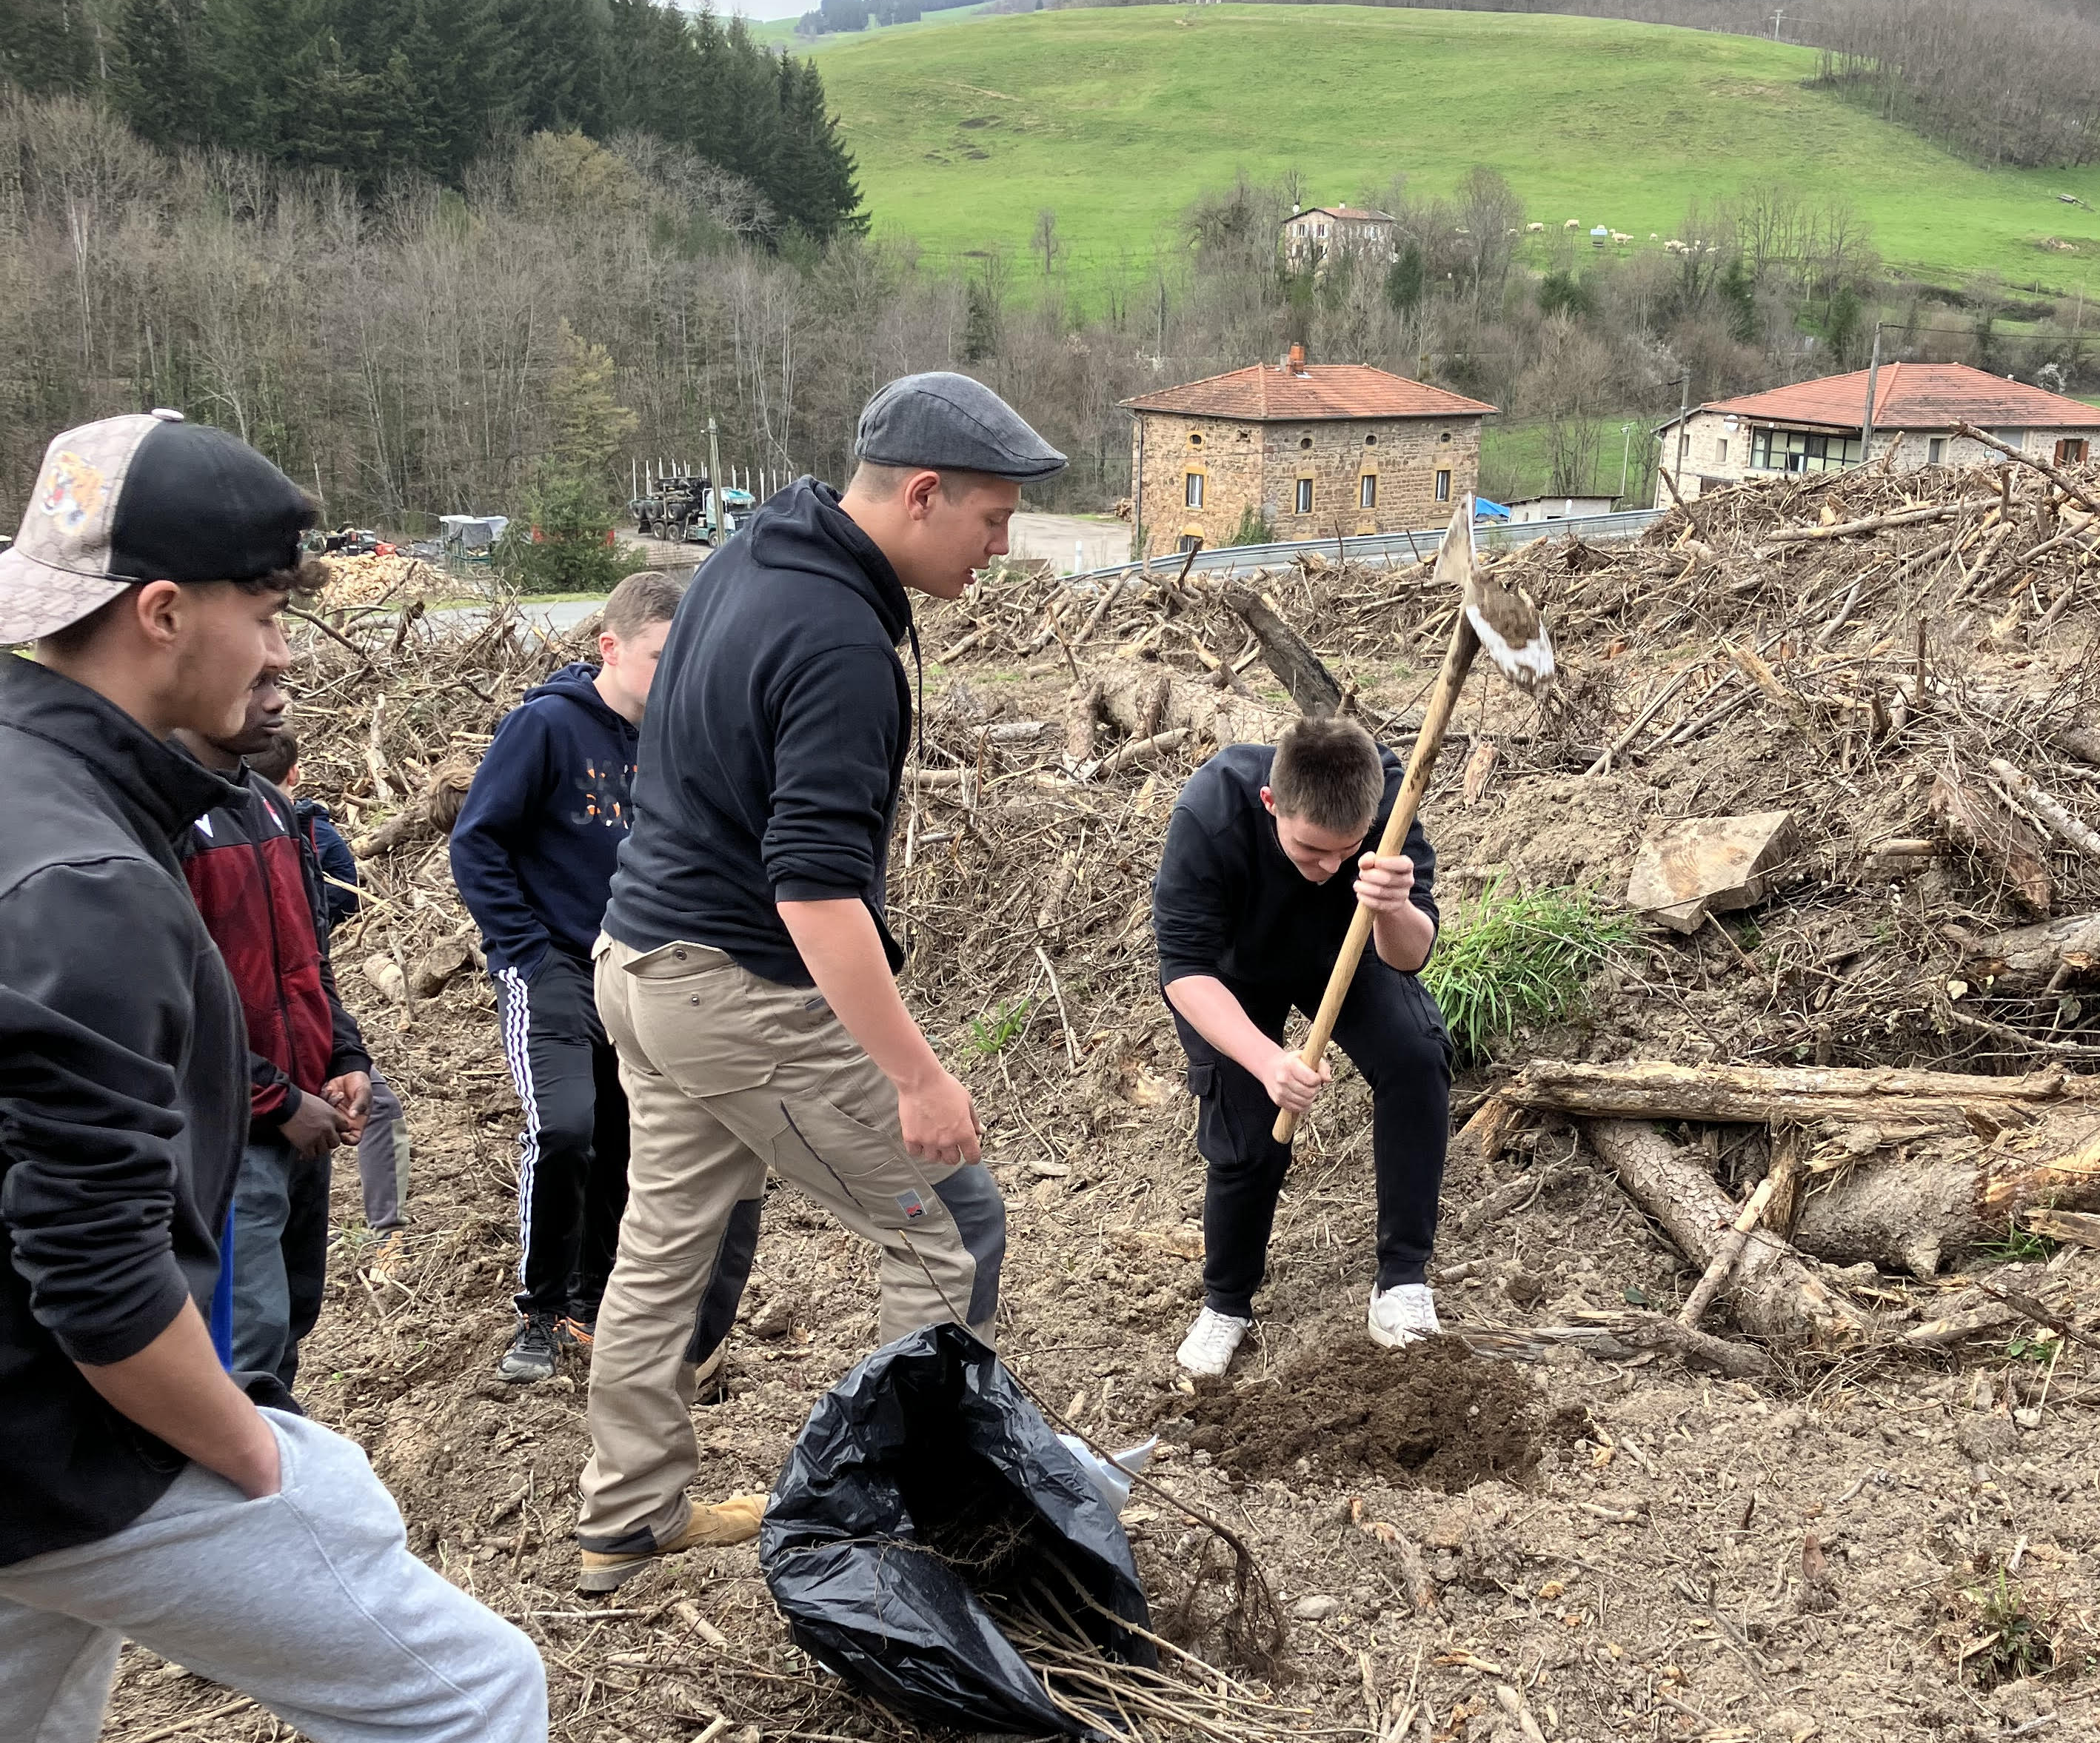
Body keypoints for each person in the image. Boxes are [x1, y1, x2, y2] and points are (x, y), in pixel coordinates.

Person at [0, 396, 748, 1743]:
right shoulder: (81, 888)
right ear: (158, 612)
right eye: (263, 608)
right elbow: (90, 1292)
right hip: (59, 1444)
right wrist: (261, 1448)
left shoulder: (27, 787)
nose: (285, 648)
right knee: (468, 1680)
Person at [573, 371, 1063, 1596]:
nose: (999, 549)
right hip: (735, 985)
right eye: (990, 521)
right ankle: (901, 1521)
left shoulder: (754, 554)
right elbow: (812, 891)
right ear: (921, 491)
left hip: (638, 961)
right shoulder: (840, 638)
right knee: (952, 1224)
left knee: (662, 1245)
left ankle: (625, 1516)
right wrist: (918, 1075)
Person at [448, 571, 760, 1385]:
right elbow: (477, 843)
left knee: (628, 1144)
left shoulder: (677, 740)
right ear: (610, 649)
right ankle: (540, 1311)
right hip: (550, 965)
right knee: (567, 1130)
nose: (678, 673)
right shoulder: (546, 726)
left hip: (639, 970)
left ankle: (597, 1309)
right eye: (663, 656)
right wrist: (523, 948)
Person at [1153, 712, 1451, 1378]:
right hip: (1230, 975)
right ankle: (1227, 1303)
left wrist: (1396, 906)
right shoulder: (1211, 812)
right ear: (1270, 805)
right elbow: (1184, 970)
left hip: (1346, 957)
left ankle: (1401, 1283)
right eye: (1310, 850)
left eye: (1345, 852)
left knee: (1416, 1057)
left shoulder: (1389, 803)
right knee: (1248, 1133)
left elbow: (1410, 957)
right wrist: (1266, 1062)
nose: (1328, 868)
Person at [174, 663, 370, 1394]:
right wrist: (278, 1102)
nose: (277, 700)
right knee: (244, 1341)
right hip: (231, 1137)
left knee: (290, 1318)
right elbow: (180, 1007)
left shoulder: (277, 813)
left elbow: (309, 962)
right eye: (255, 683)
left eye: (277, 683)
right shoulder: (164, 824)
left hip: (306, 1120)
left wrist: (346, 1055)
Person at [241, 720, 411, 1259]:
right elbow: (343, 899)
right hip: (254, 1077)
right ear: (295, 771)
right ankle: (387, 1229)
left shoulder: (296, 833)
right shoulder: (302, 831)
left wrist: (343, 1050)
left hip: (303, 1029)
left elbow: (310, 957)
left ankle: (383, 1230)